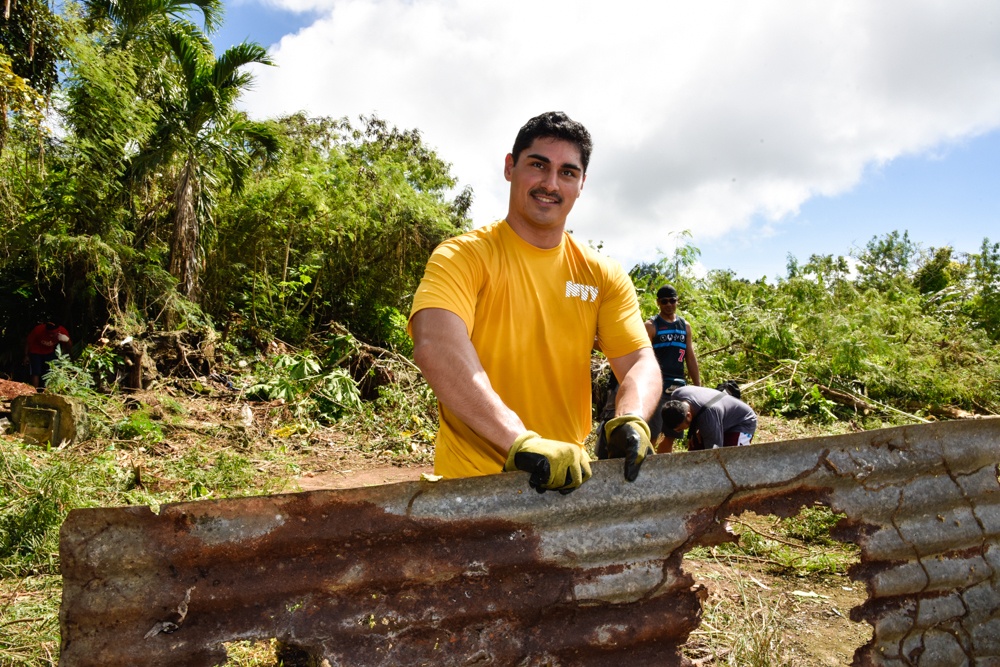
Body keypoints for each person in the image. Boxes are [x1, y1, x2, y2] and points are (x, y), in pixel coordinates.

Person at [409, 111, 662, 493]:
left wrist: (632, 417)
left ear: (581, 184)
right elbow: (436, 345)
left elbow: (639, 361)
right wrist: (520, 442)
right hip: (470, 486)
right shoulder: (463, 257)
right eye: (538, 165)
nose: (550, 183)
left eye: (567, 172)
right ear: (510, 167)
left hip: (567, 482)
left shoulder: (601, 274)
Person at [602, 284, 700, 448]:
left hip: (678, 388)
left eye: (672, 300)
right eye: (664, 301)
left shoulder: (685, 326)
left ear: (677, 301)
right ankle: (645, 466)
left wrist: (698, 387)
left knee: (671, 433)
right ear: (658, 303)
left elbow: (690, 357)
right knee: (652, 433)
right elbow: (641, 356)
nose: (668, 305)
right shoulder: (651, 326)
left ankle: (662, 469)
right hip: (657, 386)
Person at [660, 385, 757, 451]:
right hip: (715, 416)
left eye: (680, 429)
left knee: (732, 458)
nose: (678, 431)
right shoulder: (676, 394)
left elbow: (715, 452)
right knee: (695, 448)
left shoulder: (708, 419)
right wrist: (696, 428)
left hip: (741, 421)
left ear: (688, 416)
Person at [23, 320, 72, 389]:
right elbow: (28, 342)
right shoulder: (38, 330)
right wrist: (26, 355)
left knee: (51, 372)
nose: (51, 335)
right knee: (35, 372)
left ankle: (49, 391)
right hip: (35, 352)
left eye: (53, 333)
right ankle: (34, 391)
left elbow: (69, 347)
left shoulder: (62, 331)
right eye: (49, 333)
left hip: (50, 353)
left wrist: (67, 340)